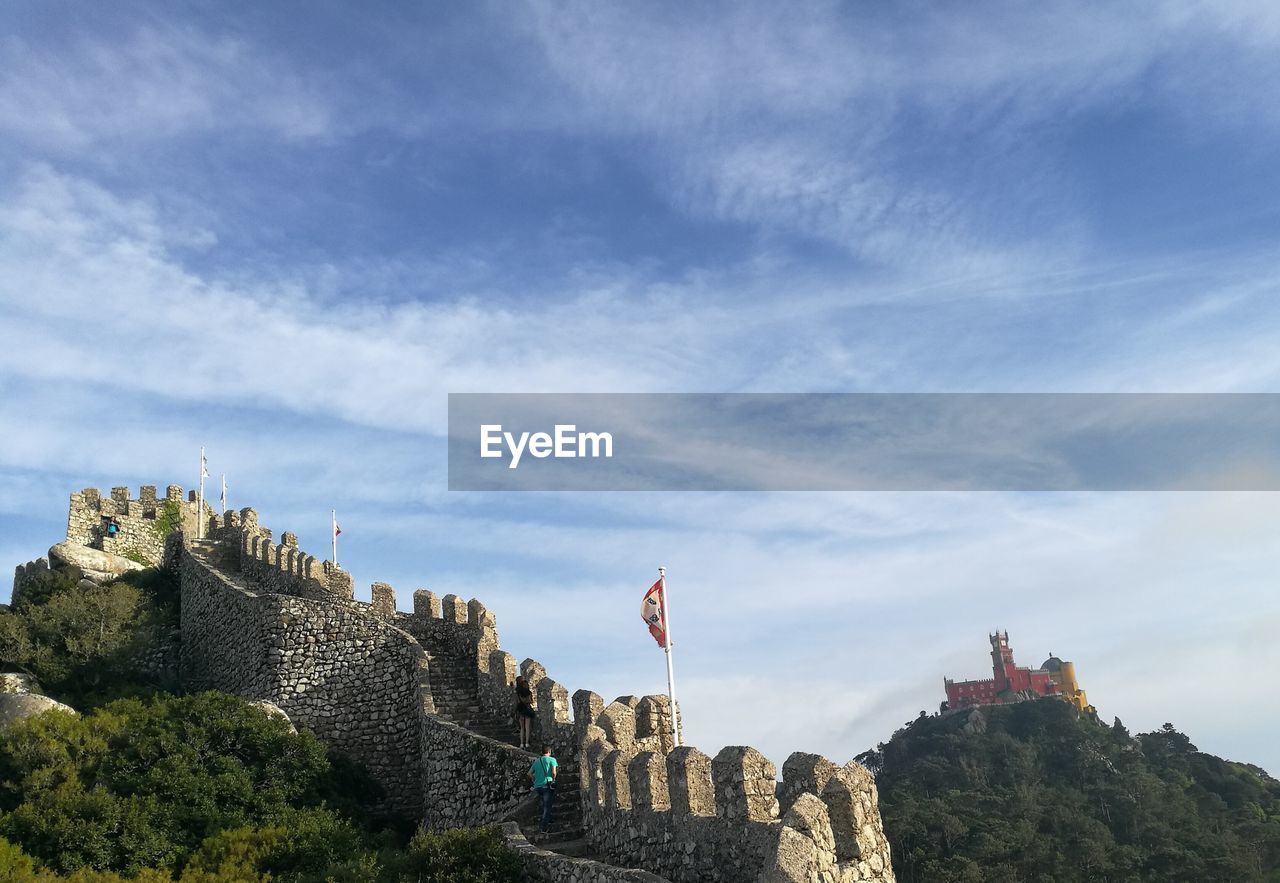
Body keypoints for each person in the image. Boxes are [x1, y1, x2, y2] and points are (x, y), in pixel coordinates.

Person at [529, 744, 558, 834]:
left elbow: (529, 774)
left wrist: (535, 780)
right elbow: (553, 772)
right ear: (549, 752)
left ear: (542, 752)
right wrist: (553, 779)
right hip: (547, 785)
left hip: (538, 786)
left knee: (544, 804)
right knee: (547, 807)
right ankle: (544, 828)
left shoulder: (537, 761)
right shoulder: (552, 760)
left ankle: (549, 819)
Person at [514, 676, 535, 749]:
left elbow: (517, 701)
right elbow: (530, 701)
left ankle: (521, 743)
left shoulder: (518, 692)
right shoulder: (529, 692)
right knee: (527, 727)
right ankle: (526, 743)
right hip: (527, 709)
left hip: (520, 709)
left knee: (522, 728)